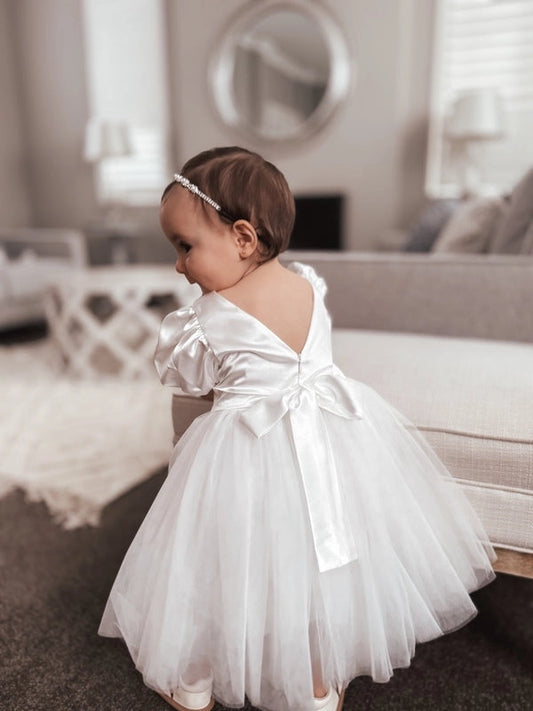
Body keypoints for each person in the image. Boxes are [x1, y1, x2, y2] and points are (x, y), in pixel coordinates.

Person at [98, 147, 496, 711]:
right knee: (319, 563)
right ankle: (314, 682)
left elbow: (192, 383)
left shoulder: (205, 320)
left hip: (244, 450)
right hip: (333, 441)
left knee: (218, 562)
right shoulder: (308, 285)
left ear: (242, 238)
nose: (179, 266)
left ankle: (194, 674)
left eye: (185, 247)